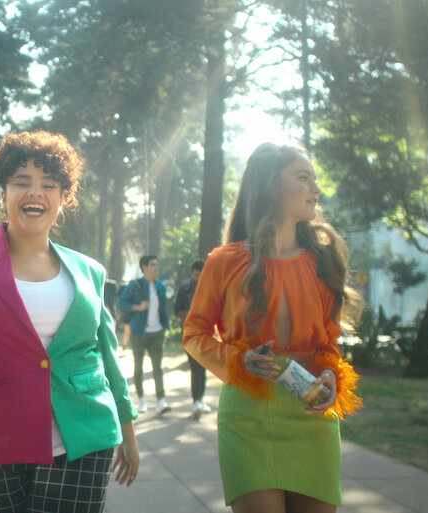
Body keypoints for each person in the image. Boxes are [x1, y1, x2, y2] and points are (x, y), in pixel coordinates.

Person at [0, 130, 139, 513]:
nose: (35, 192)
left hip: (85, 437)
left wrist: (128, 430)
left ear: (63, 198)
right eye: (22, 182)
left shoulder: (89, 270)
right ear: (2, 192)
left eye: (48, 184)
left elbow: (106, 354)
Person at [182, 142, 363, 513]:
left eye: (314, 179)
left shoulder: (323, 261)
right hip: (248, 418)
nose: (316, 189)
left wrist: (330, 374)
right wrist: (239, 360)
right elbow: (194, 335)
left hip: (311, 413)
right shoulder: (225, 261)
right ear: (270, 185)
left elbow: (330, 343)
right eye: (303, 178)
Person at [116, 255, 171, 415]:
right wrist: (138, 307)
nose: (156, 267)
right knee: (138, 367)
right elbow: (121, 303)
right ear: (144, 267)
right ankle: (141, 399)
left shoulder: (160, 286)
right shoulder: (135, 286)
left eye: (157, 264)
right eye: (153, 264)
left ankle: (161, 400)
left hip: (157, 333)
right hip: (139, 332)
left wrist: (165, 326)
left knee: (157, 367)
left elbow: (163, 308)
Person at [174, 258, 212, 418]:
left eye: (201, 274)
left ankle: (200, 399)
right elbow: (177, 309)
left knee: (203, 368)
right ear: (192, 273)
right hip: (189, 334)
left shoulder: (210, 288)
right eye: (196, 274)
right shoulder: (184, 289)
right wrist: (189, 315)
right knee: (195, 367)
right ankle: (196, 401)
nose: (198, 276)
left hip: (206, 334)